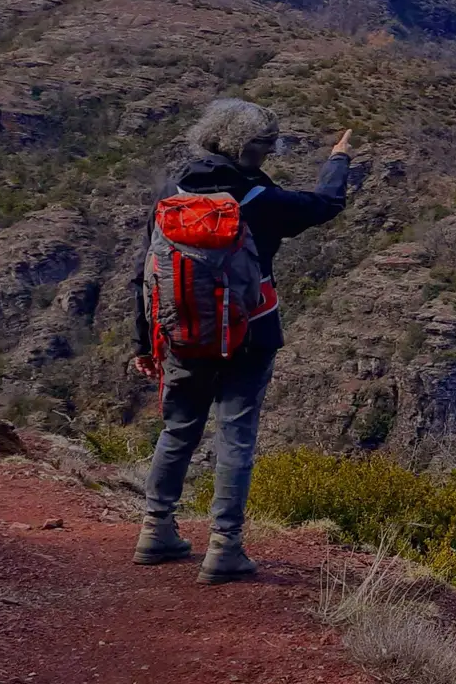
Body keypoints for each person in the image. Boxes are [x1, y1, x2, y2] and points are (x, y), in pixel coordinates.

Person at [129, 98, 352, 583]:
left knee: (178, 428)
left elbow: (143, 273)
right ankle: (224, 546)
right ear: (250, 149)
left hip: (182, 333)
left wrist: (144, 343)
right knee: (236, 434)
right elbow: (325, 205)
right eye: (268, 146)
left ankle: (155, 529)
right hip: (251, 332)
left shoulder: (174, 193)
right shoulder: (256, 199)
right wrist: (338, 159)